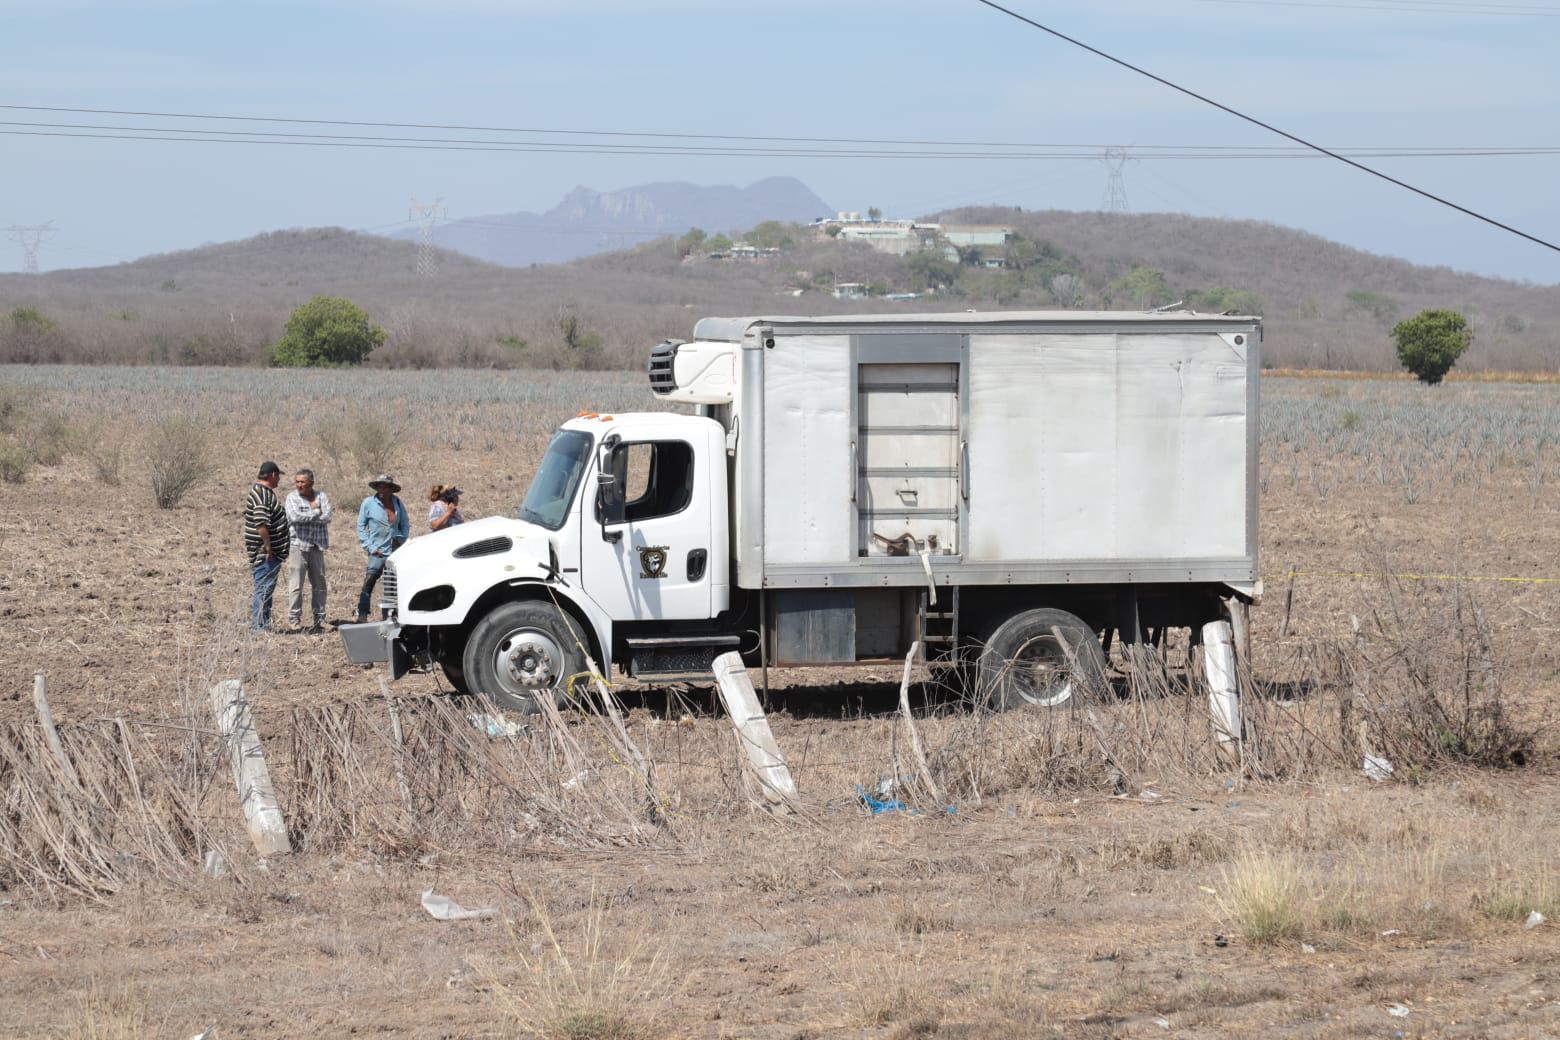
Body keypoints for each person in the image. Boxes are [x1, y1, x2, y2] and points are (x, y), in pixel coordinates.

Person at [284, 467, 333, 633]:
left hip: (317, 546)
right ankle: (294, 620)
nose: (299, 485)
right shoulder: (292, 498)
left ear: (311, 482)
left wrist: (313, 514)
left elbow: (328, 517)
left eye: (302, 482)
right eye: (297, 481)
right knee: (296, 585)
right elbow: (294, 517)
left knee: (320, 584)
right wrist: (316, 511)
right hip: (298, 545)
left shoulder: (322, 496)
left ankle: (320, 619)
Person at [244, 460, 290, 632]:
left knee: (266, 590)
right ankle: (258, 628)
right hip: (265, 554)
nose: (279, 480)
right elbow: (261, 524)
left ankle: (263, 624)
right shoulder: (261, 494)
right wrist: (268, 546)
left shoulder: (265, 493)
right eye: (278, 476)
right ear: (272, 475)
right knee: (263, 589)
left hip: (270, 553)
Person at [356, 473, 408, 622]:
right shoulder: (368, 503)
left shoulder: (397, 503)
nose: (382, 489)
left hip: (395, 550)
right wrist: (370, 547)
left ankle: (389, 616)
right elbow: (360, 527)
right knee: (369, 582)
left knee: (391, 585)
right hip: (377, 551)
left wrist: (402, 540)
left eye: (385, 486)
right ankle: (362, 614)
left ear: (391, 489)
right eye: (380, 486)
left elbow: (404, 524)